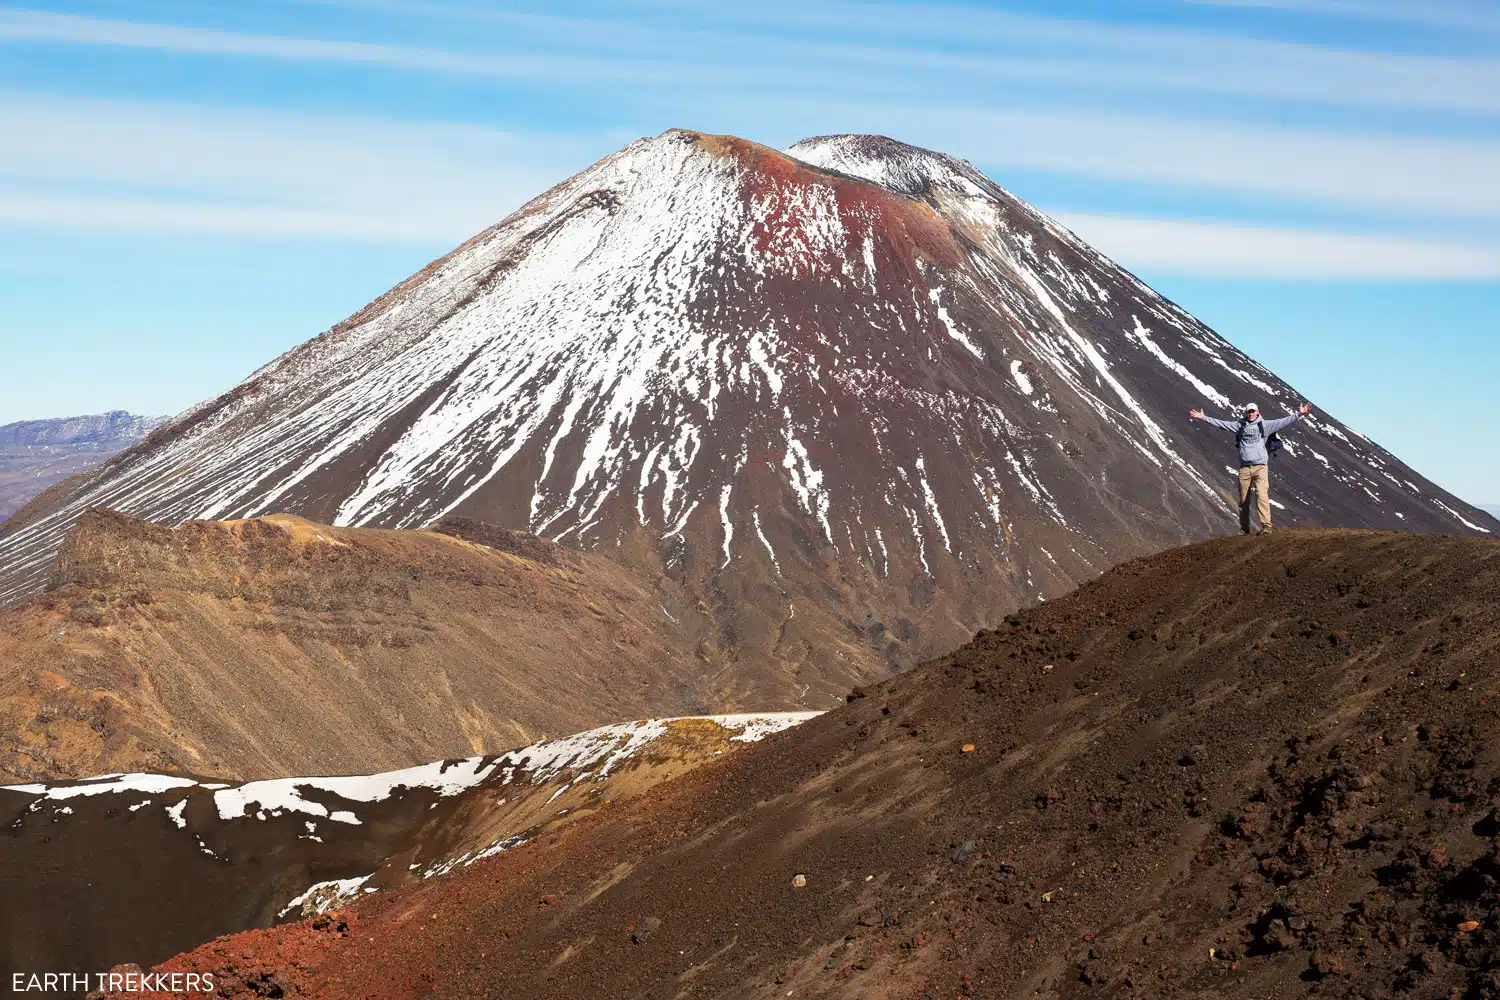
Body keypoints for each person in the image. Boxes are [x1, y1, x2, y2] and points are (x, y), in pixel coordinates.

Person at [1189, 401, 1313, 535]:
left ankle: (1266, 526)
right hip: (1245, 469)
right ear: (1246, 413)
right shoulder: (1240, 425)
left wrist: (1299, 413)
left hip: (1260, 467)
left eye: (1253, 411)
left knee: (1262, 495)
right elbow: (1222, 424)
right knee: (1243, 500)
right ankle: (1244, 529)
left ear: (1258, 411)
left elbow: (1283, 421)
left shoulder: (1265, 425)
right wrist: (1204, 418)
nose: (1251, 414)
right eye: (1249, 411)